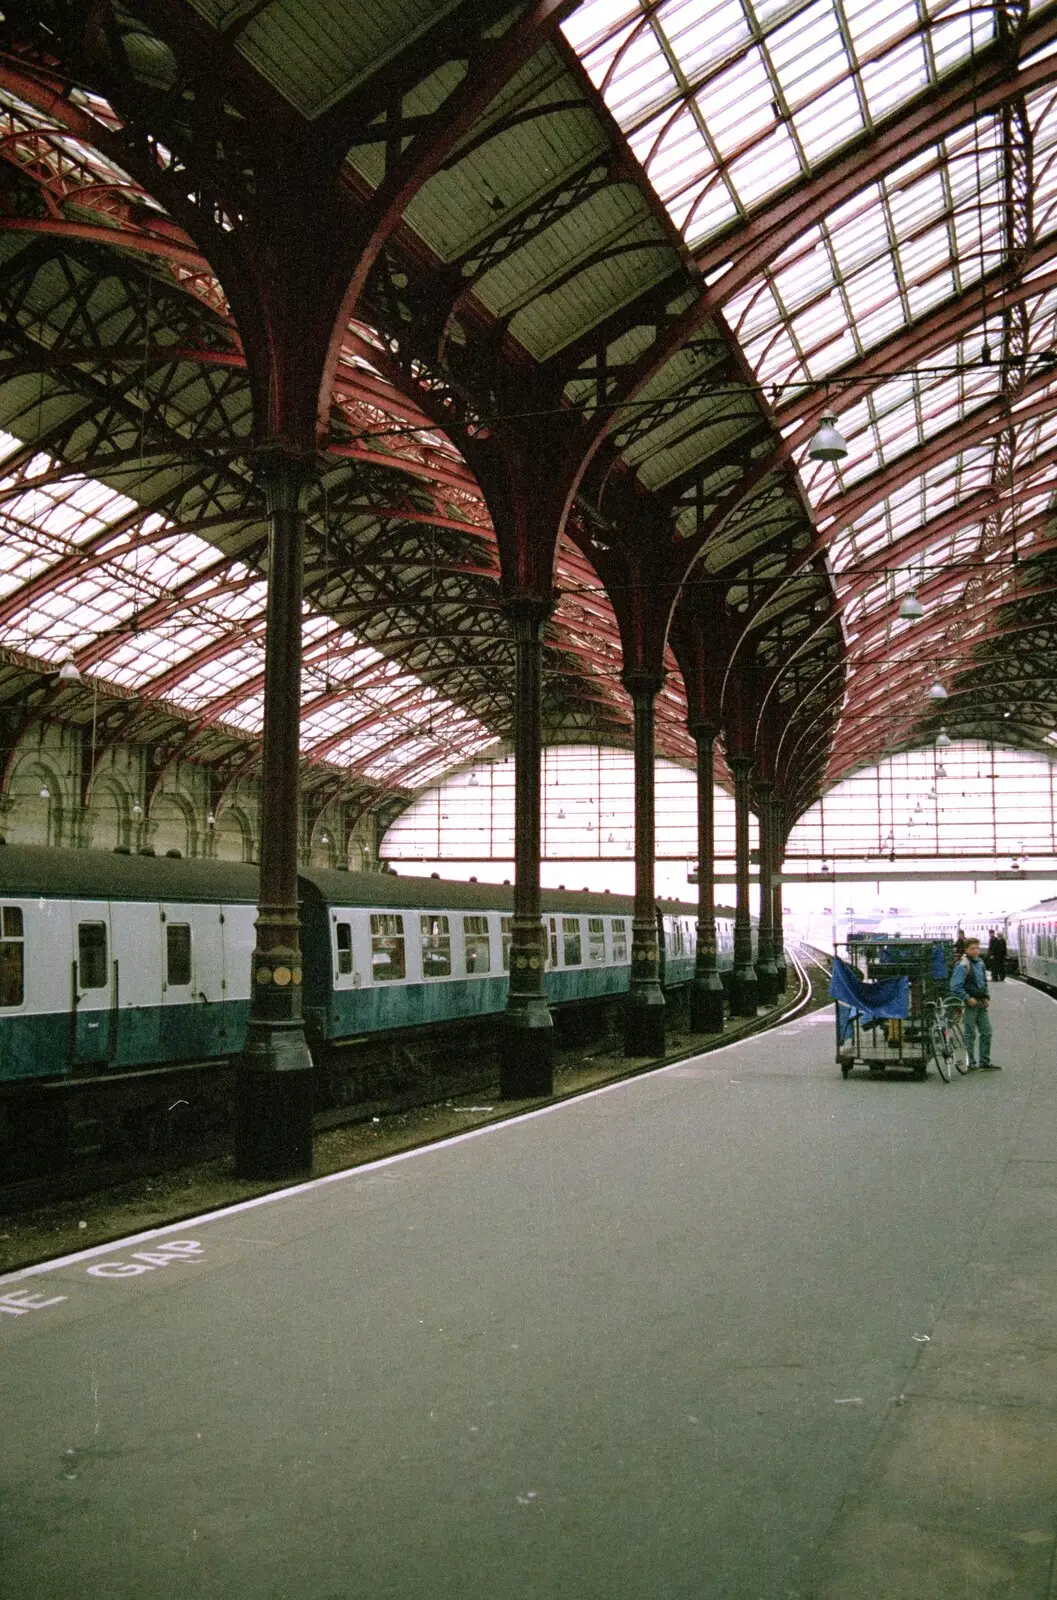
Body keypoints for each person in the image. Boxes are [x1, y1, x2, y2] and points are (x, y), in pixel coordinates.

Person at [950, 937, 998, 1069]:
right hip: (969, 1004)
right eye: (972, 948)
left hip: (981, 1002)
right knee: (970, 1034)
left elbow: (983, 982)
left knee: (986, 1032)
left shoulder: (980, 963)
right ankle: (970, 1062)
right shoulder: (962, 965)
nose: (976, 951)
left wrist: (987, 996)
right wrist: (967, 998)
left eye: (977, 948)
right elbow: (955, 987)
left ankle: (984, 1062)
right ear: (966, 950)